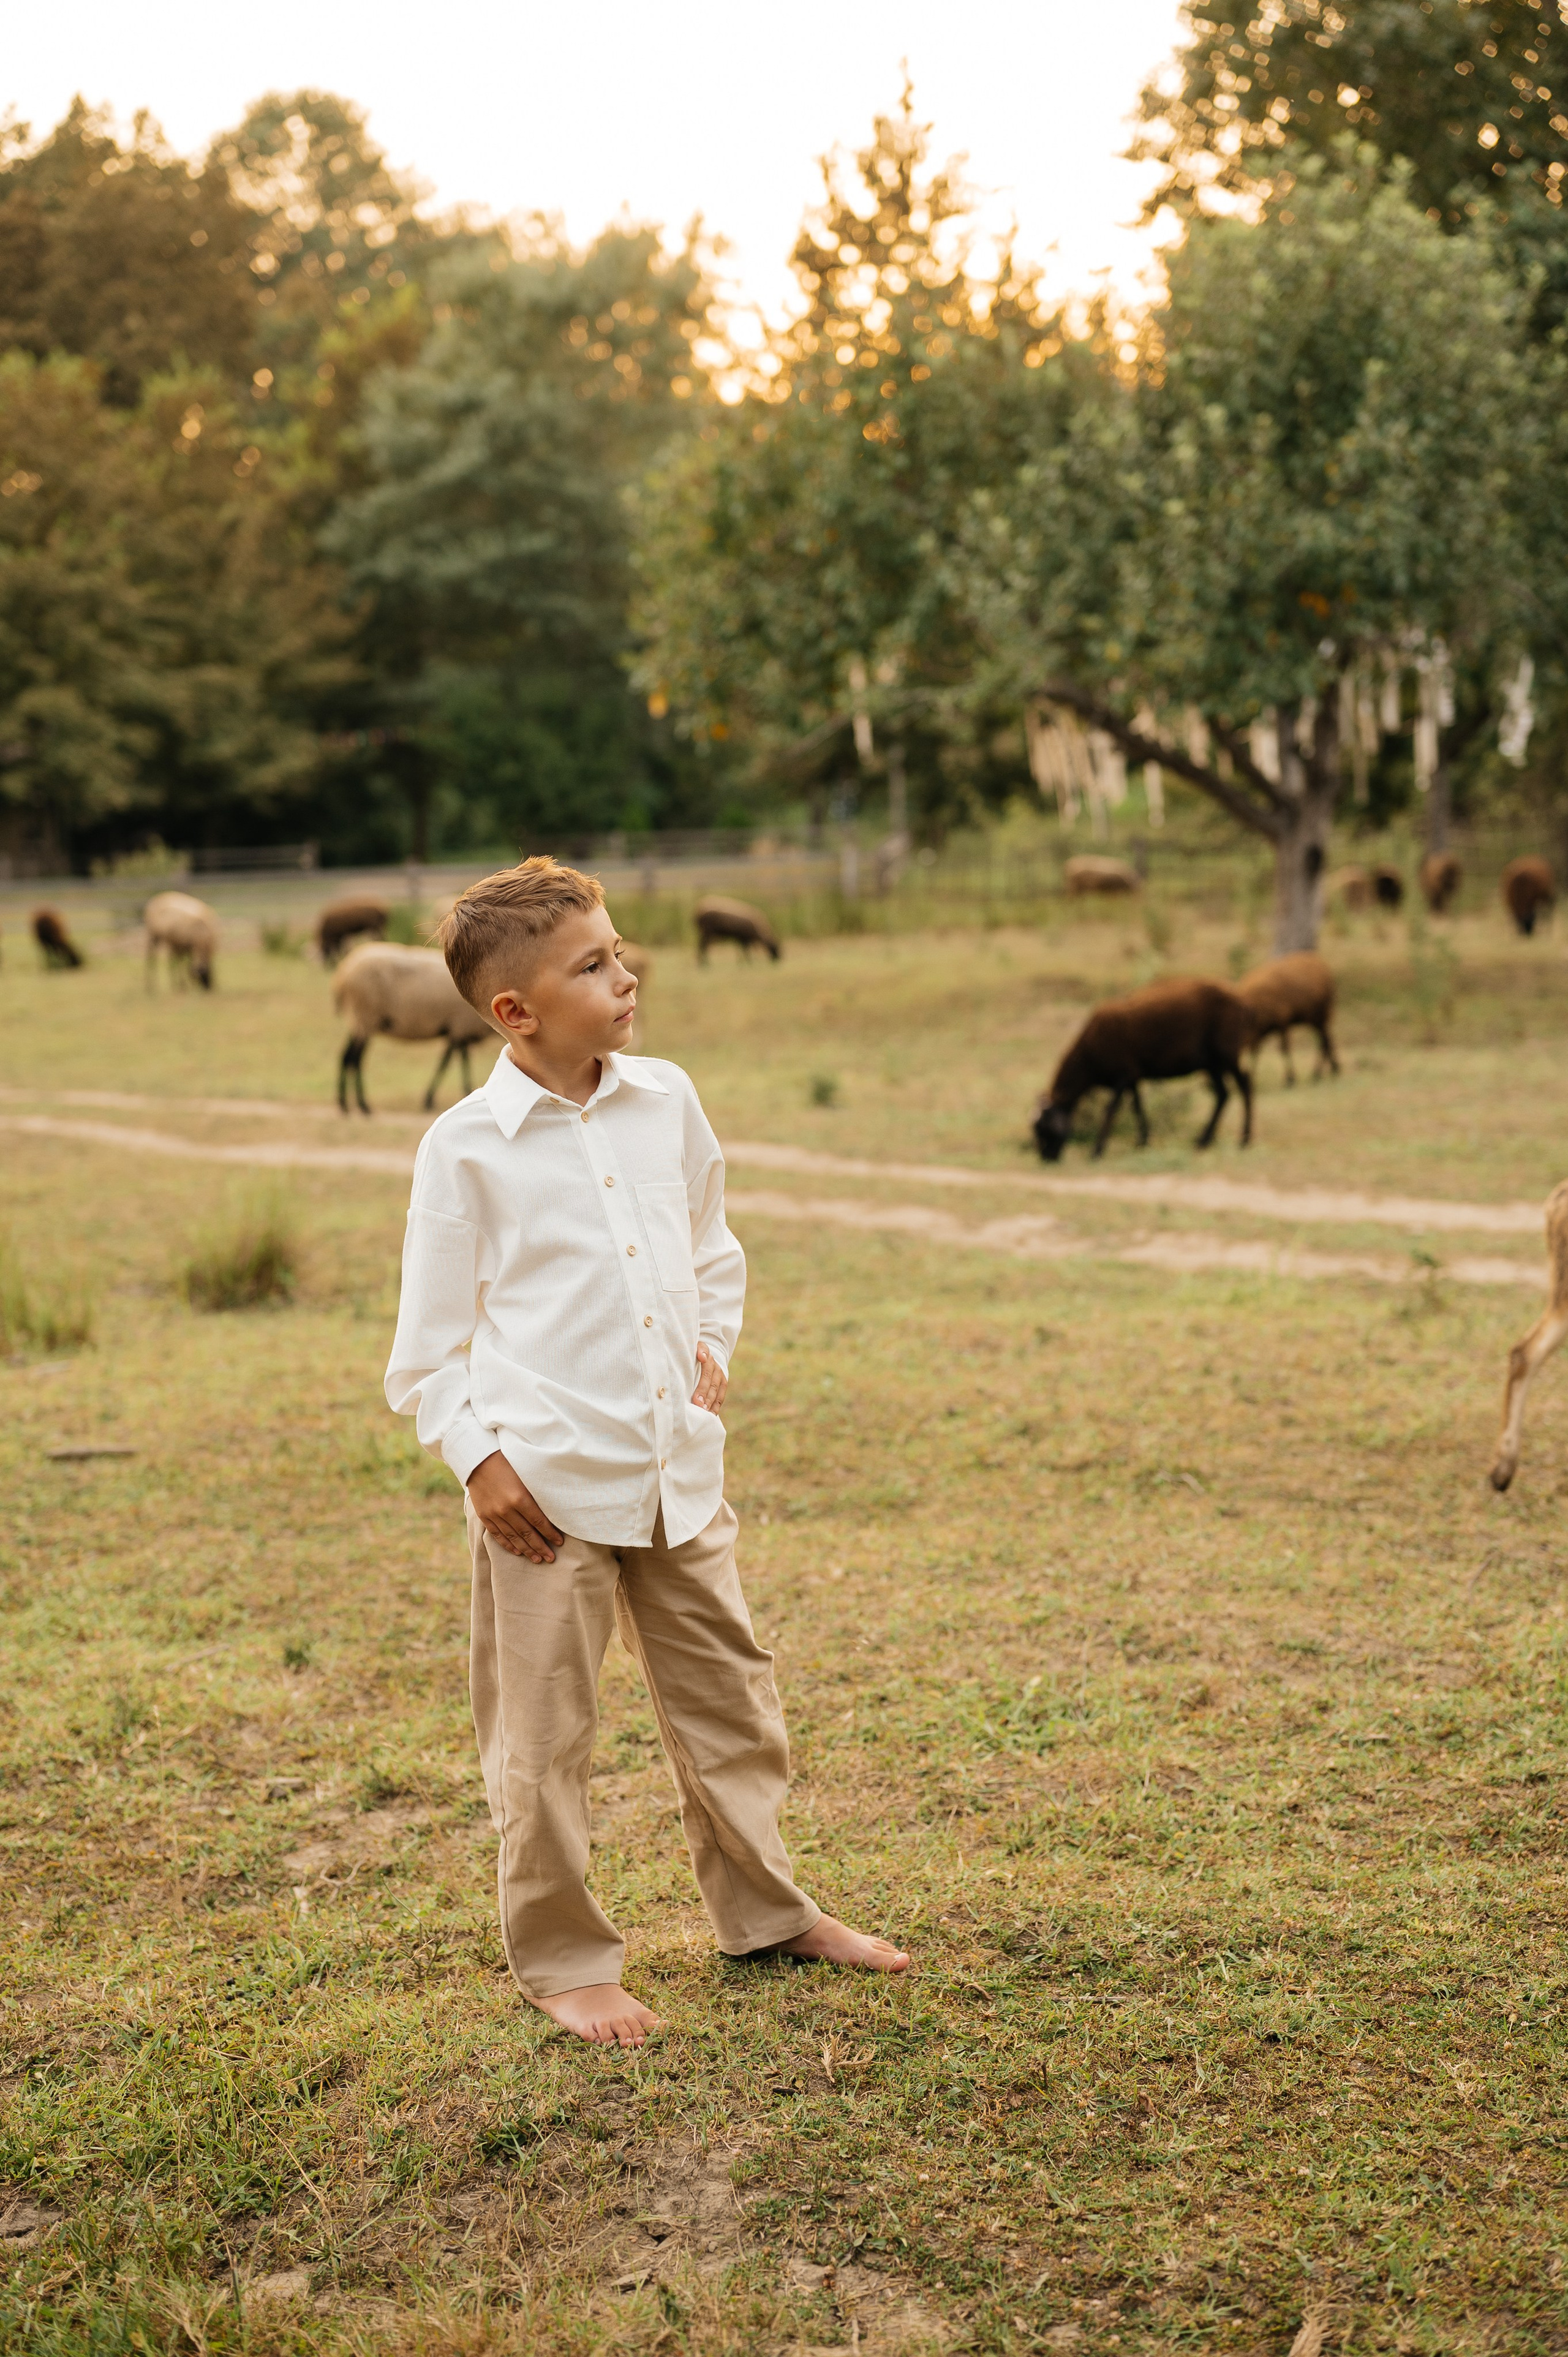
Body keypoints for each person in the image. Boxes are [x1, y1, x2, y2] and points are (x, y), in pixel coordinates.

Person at [384, 857, 910, 2046]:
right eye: (592, 966)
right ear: (514, 1011)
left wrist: (710, 1341)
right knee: (543, 1738)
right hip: (545, 1493)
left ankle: (768, 1913)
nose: (625, 977)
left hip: (676, 1468)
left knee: (732, 1702)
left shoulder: (665, 1098)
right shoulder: (464, 1150)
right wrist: (478, 1460)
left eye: (618, 952)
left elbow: (709, 1242)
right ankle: (567, 1962)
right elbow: (426, 1349)